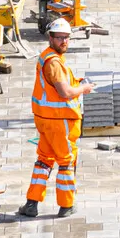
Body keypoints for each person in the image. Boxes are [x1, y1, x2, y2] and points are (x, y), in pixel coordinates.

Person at [19, 18, 92, 218]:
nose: (64, 42)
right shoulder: (54, 63)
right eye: (60, 38)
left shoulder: (46, 57)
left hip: (45, 119)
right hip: (60, 121)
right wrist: (83, 89)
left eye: (67, 38)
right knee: (66, 161)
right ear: (50, 38)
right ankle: (66, 205)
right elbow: (65, 92)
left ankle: (32, 203)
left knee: (44, 160)